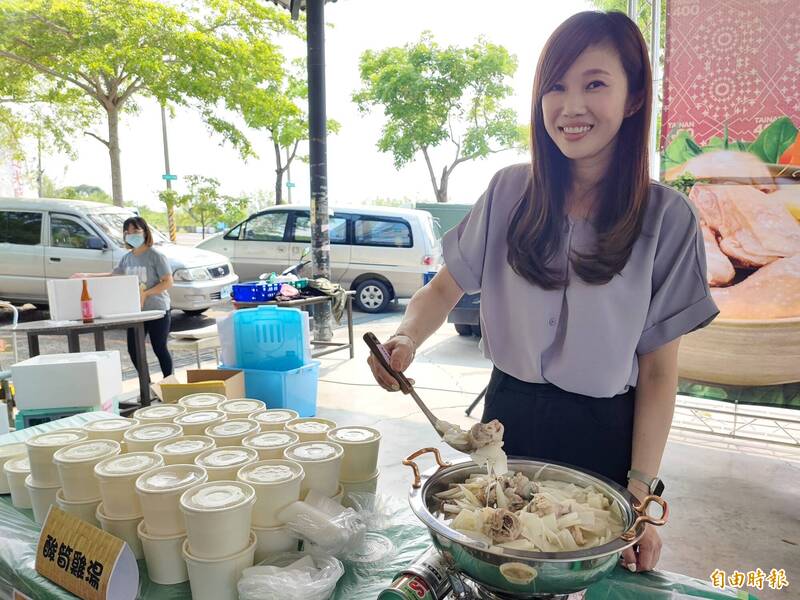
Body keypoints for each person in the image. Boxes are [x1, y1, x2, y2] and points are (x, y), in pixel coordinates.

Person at [368, 11, 719, 573]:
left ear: (632, 99)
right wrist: (404, 338)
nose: (570, 105)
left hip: (605, 436)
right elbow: (441, 291)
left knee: (578, 569)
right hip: (505, 423)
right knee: (490, 564)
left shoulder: (667, 218)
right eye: (555, 86)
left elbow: (657, 374)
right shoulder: (510, 191)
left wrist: (639, 497)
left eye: (595, 84)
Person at [72, 216, 174, 378]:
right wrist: (86, 275)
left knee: (159, 348)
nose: (131, 234)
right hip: (135, 311)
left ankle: (170, 383)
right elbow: (114, 275)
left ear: (145, 232)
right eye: (127, 232)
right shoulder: (127, 258)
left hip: (157, 310)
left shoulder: (156, 256)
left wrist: (146, 294)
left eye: (136, 231)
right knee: (134, 350)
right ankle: (146, 386)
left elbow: (168, 281)